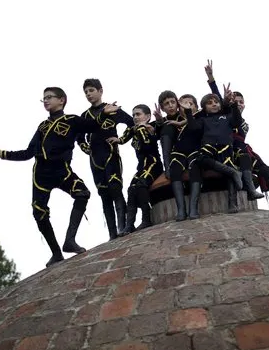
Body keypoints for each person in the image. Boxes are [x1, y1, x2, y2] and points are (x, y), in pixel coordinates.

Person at [0, 87, 119, 268]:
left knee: (82, 193)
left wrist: (104, 114)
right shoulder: (42, 126)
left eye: (49, 97)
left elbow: (92, 125)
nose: (46, 101)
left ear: (62, 100)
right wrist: (4, 154)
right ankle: (56, 253)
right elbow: (28, 152)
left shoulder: (72, 120)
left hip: (61, 171)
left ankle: (70, 240)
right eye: (43, 98)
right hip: (41, 174)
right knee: (39, 212)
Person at [204, 60, 269, 211]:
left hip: (245, 149)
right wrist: (212, 79)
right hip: (228, 150)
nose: (238, 103)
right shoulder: (226, 114)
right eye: (236, 101)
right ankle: (246, 193)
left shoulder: (244, 122)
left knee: (266, 169)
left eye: (241, 101)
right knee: (242, 158)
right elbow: (218, 98)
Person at [76, 78, 134, 240]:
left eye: (91, 90)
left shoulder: (112, 109)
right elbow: (79, 138)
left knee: (115, 188)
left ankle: (124, 227)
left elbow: (131, 124)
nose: (88, 94)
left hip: (111, 155)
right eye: (86, 92)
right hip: (95, 159)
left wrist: (121, 140)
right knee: (104, 194)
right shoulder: (85, 115)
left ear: (100, 91)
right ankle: (112, 233)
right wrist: (86, 149)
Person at [185, 88, 244, 213]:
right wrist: (188, 112)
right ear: (204, 107)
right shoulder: (203, 120)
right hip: (209, 146)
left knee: (228, 169)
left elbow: (237, 122)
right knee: (200, 159)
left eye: (216, 102)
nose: (214, 104)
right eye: (210, 103)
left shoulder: (227, 116)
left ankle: (232, 203)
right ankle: (233, 172)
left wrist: (233, 104)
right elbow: (193, 128)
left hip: (225, 147)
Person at [109, 104, 163, 235]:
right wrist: (117, 140)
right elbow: (123, 139)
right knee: (131, 188)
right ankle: (129, 225)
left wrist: (143, 129)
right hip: (141, 166)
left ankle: (147, 218)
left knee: (140, 185)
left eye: (138, 114)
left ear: (148, 116)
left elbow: (146, 145)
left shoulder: (150, 128)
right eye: (133, 115)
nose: (135, 117)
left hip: (153, 164)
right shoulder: (134, 129)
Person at [171, 94, 203, 220]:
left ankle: (193, 208)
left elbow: (194, 127)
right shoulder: (176, 121)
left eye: (190, 103)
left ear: (196, 106)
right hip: (179, 152)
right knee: (174, 169)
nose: (187, 106)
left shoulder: (201, 117)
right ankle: (181, 210)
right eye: (184, 104)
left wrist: (189, 113)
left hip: (195, 150)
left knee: (195, 168)